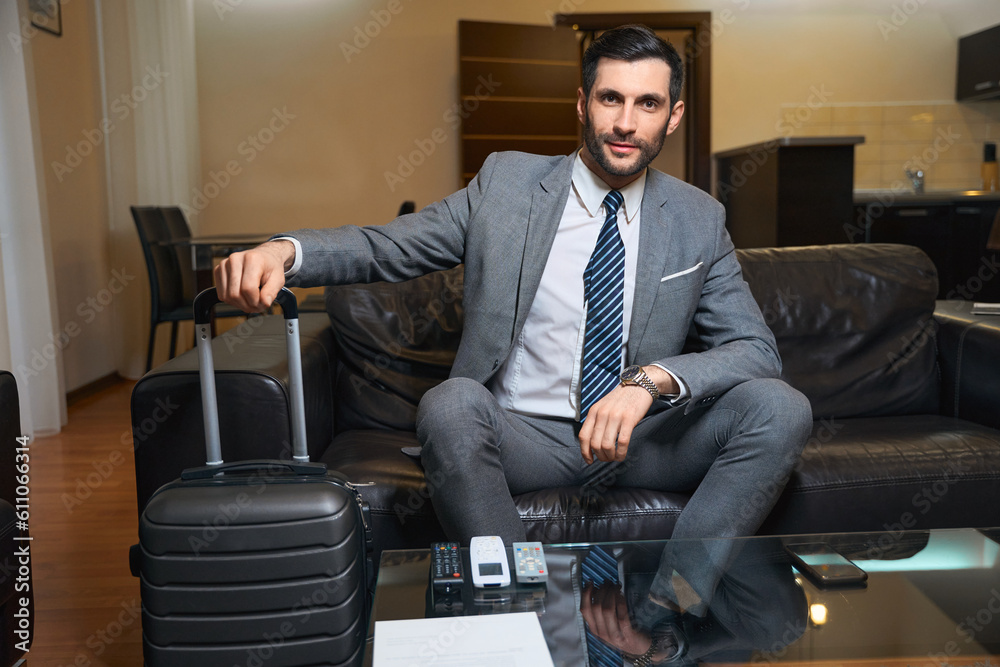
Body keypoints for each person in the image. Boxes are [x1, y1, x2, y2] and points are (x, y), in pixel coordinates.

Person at [215, 25, 813, 550]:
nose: (626, 123)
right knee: (449, 404)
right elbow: (390, 244)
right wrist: (286, 251)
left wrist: (648, 385)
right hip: (524, 434)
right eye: (610, 99)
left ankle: (676, 604)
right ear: (582, 103)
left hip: (644, 439)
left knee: (781, 406)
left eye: (647, 103)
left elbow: (755, 350)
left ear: (673, 115)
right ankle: (512, 610)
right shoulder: (506, 184)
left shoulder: (698, 217)